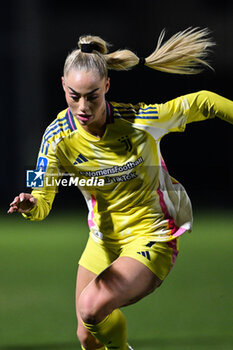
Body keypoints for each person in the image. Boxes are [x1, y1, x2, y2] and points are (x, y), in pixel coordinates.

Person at [8, 27, 233, 350]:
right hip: (103, 241)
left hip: (151, 237)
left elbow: (203, 101)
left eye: (92, 95)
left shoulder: (140, 120)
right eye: (74, 95)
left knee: (90, 308)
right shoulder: (56, 136)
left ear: (107, 86)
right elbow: (42, 197)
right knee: (87, 335)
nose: (83, 106)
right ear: (62, 86)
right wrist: (32, 204)